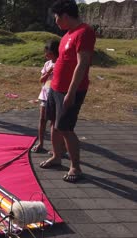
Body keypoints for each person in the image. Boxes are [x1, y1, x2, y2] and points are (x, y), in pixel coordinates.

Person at [39, 0, 96, 183]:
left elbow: (83, 63)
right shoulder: (66, 36)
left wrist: (71, 93)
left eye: (56, 17)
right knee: (54, 124)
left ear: (65, 15)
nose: (55, 21)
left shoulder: (84, 32)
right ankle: (56, 156)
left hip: (71, 90)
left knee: (65, 128)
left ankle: (75, 167)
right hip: (55, 88)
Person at [31, 39, 59, 153]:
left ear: (55, 52)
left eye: (49, 53)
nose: (46, 55)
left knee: (54, 122)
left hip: (56, 95)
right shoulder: (47, 64)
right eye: (46, 52)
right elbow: (41, 80)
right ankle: (41, 143)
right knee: (42, 119)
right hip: (45, 94)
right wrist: (48, 72)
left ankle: (56, 147)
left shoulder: (61, 63)